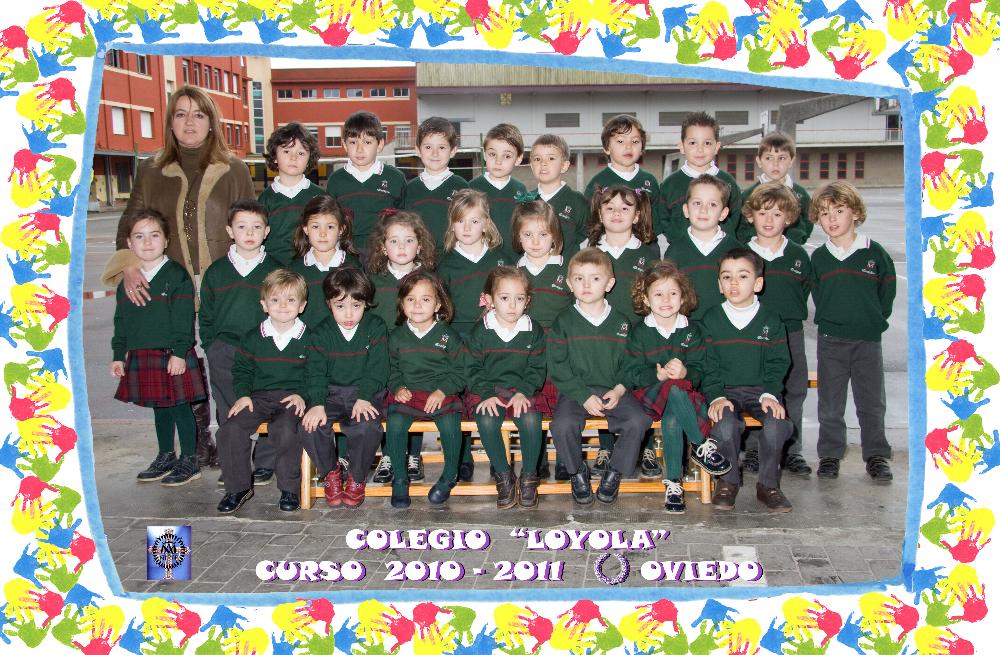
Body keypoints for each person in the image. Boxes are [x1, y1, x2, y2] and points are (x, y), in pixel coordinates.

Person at [104, 85, 254, 469]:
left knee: (224, 360)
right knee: (179, 358)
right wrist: (129, 265)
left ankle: (231, 440)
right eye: (181, 114)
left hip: (222, 282)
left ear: (211, 122)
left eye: (199, 114)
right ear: (170, 122)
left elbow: (251, 221)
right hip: (170, 284)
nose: (190, 122)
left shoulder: (234, 169)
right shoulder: (151, 170)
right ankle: (198, 443)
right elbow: (129, 224)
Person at [548, 248, 652, 505]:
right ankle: (576, 472)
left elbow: (631, 363)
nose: (586, 285)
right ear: (570, 283)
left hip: (613, 390)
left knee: (638, 420)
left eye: (595, 278)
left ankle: (614, 471)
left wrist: (619, 389)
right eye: (579, 278)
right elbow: (558, 366)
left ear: (609, 283)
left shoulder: (621, 322)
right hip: (576, 392)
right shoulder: (563, 322)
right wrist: (582, 395)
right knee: (561, 425)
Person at [111, 208, 207, 486]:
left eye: (154, 235)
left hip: (171, 354)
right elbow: (121, 320)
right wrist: (118, 355)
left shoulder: (176, 276)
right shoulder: (127, 281)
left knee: (180, 408)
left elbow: (183, 319)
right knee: (159, 408)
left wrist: (179, 352)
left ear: (166, 241)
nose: (147, 242)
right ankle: (166, 455)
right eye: (139, 236)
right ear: (129, 243)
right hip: (142, 354)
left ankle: (190, 459)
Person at [625, 261, 730, 513]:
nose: (666, 300)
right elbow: (631, 373)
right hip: (648, 396)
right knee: (671, 387)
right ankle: (701, 445)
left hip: (684, 399)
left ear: (682, 297)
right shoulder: (638, 333)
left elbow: (702, 370)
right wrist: (656, 374)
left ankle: (673, 484)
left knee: (673, 417)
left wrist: (686, 372)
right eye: (658, 294)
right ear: (646, 299)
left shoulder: (693, 331)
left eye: (673, 293)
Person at [809, 181, 896, 482]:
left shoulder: (875, 253)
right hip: (831, 341)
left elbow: (886, 294)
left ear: (855, 213)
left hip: (867, 340)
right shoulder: (819, 258)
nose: (831, 219)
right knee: (830, 405)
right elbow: (819, 294)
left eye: (839, 211)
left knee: (871, 403)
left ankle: (876, 455)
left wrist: (871, 321)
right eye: (824, 214)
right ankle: (830, 455)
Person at [702, 248, 793, 512]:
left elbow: (779, 362)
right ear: (719, 285)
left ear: (758, 283)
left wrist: (771, 393)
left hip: (761, 390)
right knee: (725, 425)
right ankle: (728, 481)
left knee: (776, 424)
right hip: (725, 390)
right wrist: (716, 396)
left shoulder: (771, 320)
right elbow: (707, 365)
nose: (733, 283)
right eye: (726, 277)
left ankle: (768, 485)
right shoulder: (711, 319)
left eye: (742, 276)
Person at [216, 269, 311, 514]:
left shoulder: (310, 338)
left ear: (302, 306)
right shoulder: (252, 337)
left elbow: (316, 373)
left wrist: (303, 394)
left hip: (293, 398)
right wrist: (243, 394)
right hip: (259, 398)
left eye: (291, 300)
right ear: (264, 305)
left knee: (286, 430)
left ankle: (289, 488)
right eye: (275, 300)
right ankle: (238, 488)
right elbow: (242, 370)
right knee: (230, 429)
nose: (283, 306)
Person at [199, 199, 281, 484]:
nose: (249, 233)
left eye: (256, 227)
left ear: (266, 231)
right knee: (229, 409)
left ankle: (265, 462)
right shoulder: (217, 272)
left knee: (269, 403)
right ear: (229, 231)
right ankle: (234, 464)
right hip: (225, 351)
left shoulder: (275, 271)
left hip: (265, 350)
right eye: (242, 226)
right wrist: (212, 347)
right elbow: (206, 315)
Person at [742, 183, 813, 478]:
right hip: (752, 335)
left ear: (789, 218)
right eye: (762, 213)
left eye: (777, 213)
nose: (769, 220)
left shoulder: (798, 255)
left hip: (790, 333)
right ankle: (753, 449)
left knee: (793, 390)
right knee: (754, 390)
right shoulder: (743, 254)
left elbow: (804, 289)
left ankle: (791, 450)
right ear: (750, 217)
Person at [302, 268, 389, 508]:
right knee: (310, 426)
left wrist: (365, 396)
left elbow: (378, 368)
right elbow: (315, 372)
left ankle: (357, 477)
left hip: (364, 392)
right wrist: (317, 403)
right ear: (329, 304)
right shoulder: (321, 332)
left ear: (366, 303)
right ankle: (330, 473)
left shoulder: (375, 326)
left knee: (367, 426)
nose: (349, 314)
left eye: (356, 306)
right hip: (330, 393)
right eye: (340, 306)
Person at [466, 267, 548, 508]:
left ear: (527, 301)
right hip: (488, 389)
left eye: (519, 298)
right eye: (504, 298)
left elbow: (537, 367)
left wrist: (524, 391)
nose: (512, 305)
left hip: (522, 390)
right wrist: (485, 394)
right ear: (490, 300)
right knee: (487, 419)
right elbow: (471, 368)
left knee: (531, 419)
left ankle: (529, 476)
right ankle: (504, 476)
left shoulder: (534, 330)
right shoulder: (480, 331)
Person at [365, 210, 437, 484]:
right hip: (382, 352)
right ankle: (389, 454)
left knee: (412, 399)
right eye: (394, 241)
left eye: (409, 240)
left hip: (415, 354)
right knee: (388, 404)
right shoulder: (374, 280)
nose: (402, 247)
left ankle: (413, 455)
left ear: (419, 245)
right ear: (383, 247)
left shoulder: (428, 279)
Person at [385, 272, 467, 508]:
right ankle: (400, 479)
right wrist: (397, 387)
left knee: (450, 424)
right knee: (395, 422)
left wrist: (443, 390)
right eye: (411, 299)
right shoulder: (396, 337)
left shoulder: (448, 336)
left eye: (426, 299)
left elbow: (461, 370)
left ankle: (449, 475)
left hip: (441, 394)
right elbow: (390, 369)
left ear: (438, 304)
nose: (418, 305)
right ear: (402, 304)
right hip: (409, 394)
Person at [511, 200, 568, 480]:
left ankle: (566, 457)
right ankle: (537, 458)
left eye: (543, 234)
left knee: (560, 403)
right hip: (526, 350)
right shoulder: (514, 272)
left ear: (554, 237)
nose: (535, 242)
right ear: (518, 237)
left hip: (559, 348)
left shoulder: (566, 270)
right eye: (528, 234)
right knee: (533, 403)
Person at [326, 111, 407, 259]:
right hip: (346, 255)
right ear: (344, 145)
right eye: (353, 142)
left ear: (380, 144)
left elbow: (404, 220)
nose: (359, 149)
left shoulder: (395, 178)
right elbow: (330, 220)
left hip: (385, 255)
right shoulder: (336, 180)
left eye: (367, 142)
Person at [663, 174, 742, 321]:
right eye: (697, 203)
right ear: (686, 210)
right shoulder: (674, 251)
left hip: (726, 326)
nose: (703, 210)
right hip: (687, 327)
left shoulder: (737, 251)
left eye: (712, 204)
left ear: (723, 213)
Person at [657, 111, 742, 242]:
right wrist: (679, 240)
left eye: (707, 143)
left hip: (721, 250)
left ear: (716, 147)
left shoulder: (728, 182)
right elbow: (663, 219)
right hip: (683, 251)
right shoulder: (670, 184)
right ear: (682, 146)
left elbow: (736, 216)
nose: (700, 149)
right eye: (693, 143)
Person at [438, 189, 510, 336]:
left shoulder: (502, 261)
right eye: (460, 221)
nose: (467, 228)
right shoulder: (445, 266)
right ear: (452, 225)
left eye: (474, 221)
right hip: (459, 337)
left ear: (486, 224)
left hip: (496, 335)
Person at [258, 122, 328, 266]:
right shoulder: (265, 199)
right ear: (275, 157)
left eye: (301, 153)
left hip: (310, 266)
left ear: (309, 160)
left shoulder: (319, 196)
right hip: (274, 268)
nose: (293, 157)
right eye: (286, 151)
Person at [288, 195, 361, 327]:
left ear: (341, 229)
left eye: (330, 227)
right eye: (315, 226)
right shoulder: (294, 269)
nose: (323, 233)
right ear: (306, 229)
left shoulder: (353, 267)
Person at [404, 116, 469, 251]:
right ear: (418, 150)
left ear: (453, 151)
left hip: (452, 257)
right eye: (428, 147)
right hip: (418, 258)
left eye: (441, 147)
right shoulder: (410, 188)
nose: (435, 153)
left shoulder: (461, 186)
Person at [736, 131, 812, 245]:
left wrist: (796, 240)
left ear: (791, 161)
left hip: (789, 251)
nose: (775, 164)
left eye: (782, 158)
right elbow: (740, 227)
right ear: (759, 161)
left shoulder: (801, 194)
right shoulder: (749, 194)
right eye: (769, 158)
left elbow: (808, 221)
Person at [529, 134, 588, 255]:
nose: (543, 163)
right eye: (537, 159)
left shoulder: (578, 201)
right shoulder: (525, 201)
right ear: (531, 165)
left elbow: (587, 241)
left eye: (551, 158)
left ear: (564, 166)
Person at [470, 123, 528, 243]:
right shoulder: (472, 187)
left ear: (518, 159)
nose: (498, 161)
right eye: (493, 154)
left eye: (507, 156)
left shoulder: (520, 189)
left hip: (513, 253)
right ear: (484, 154)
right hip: (482, 252)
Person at [583, 114, 660, 205]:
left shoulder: (649, 181)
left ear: (642, 148)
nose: (628, 146)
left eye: (635, 141)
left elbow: (658, 212)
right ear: (607, 148)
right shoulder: (597, 183)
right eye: (620, 141)